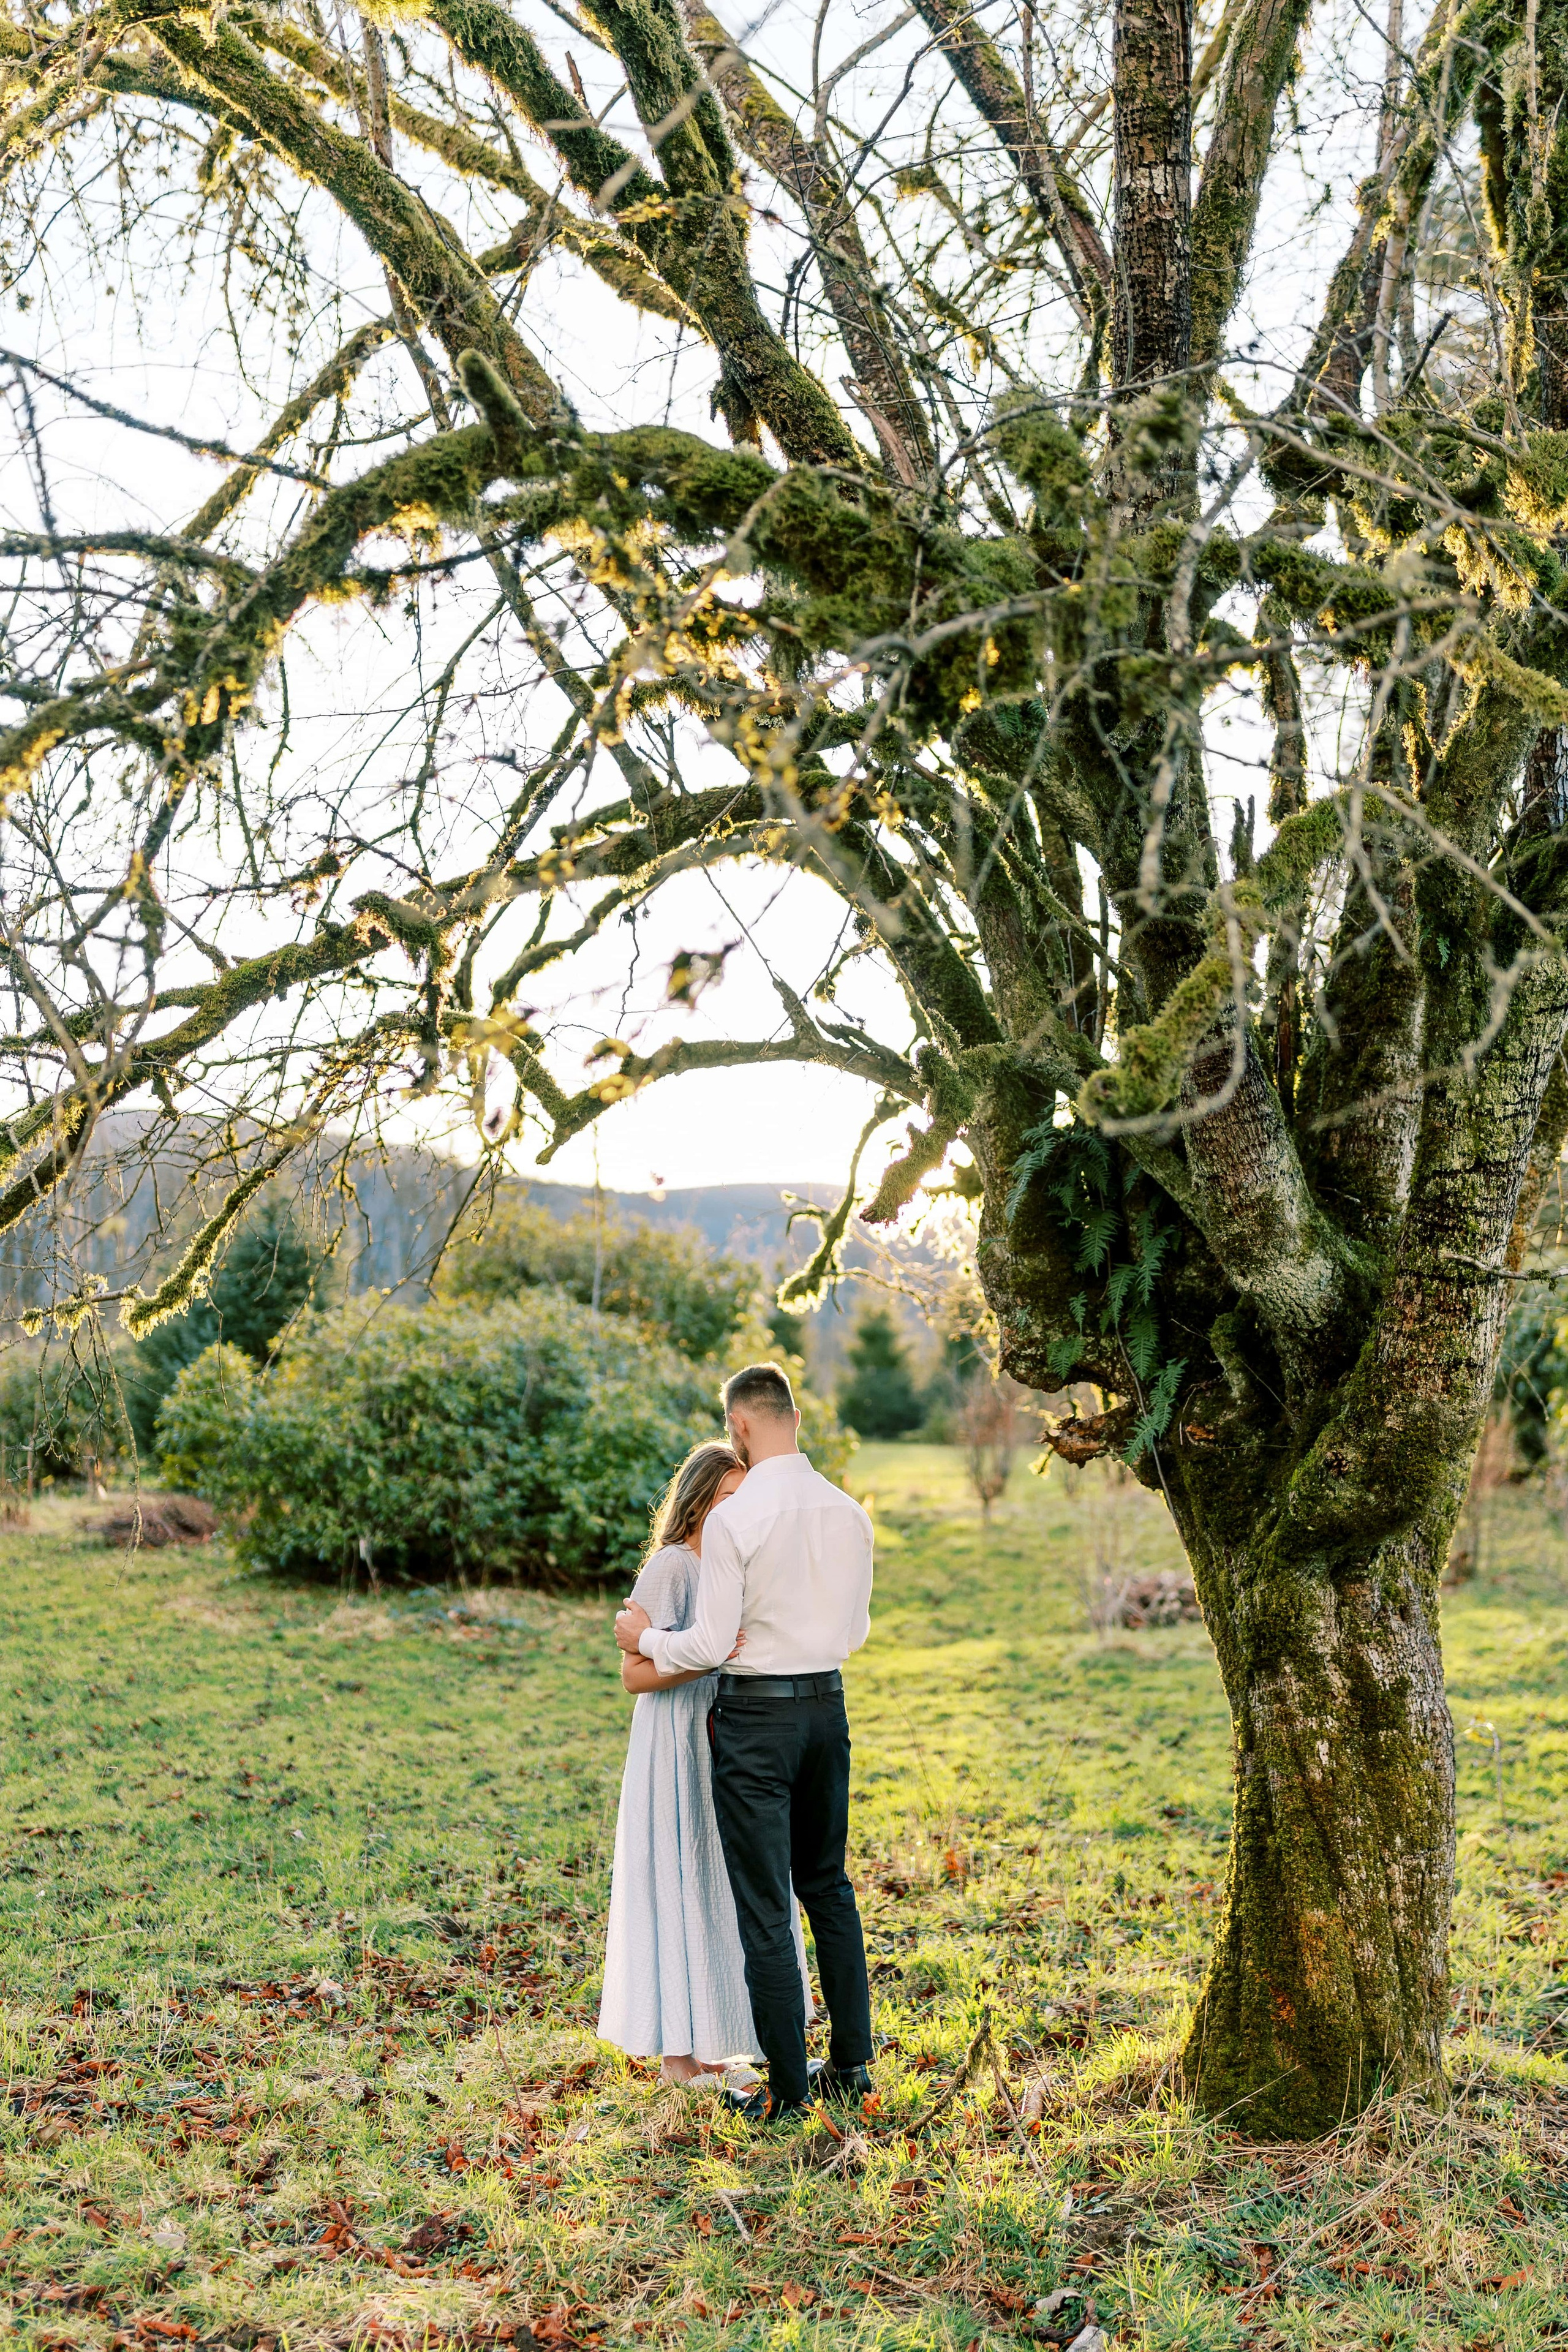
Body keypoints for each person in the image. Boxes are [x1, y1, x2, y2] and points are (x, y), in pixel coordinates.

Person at [616, 1362, 876, 2122]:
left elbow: (703, 1646)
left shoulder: (736, 1520)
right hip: (829, 1709)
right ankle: (852, 2066)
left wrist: (645, 1636)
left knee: (765, 1905)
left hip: (758, 1720)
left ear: (738, 1427)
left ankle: (789, 2093)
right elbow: (855, 1631)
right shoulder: (848, 1512)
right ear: (795, 1417)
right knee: (828, 1890)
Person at [597, 1439, 813, 2085]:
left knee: (719, 1879)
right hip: (675, 1736)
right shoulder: (671, 1567)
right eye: (725, 1498)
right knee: (679, 1872)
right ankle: (676, 2057)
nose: (735, 1511)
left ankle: (716, 2045)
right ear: (696, 1502)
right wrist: (705, 1656)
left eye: (743, 1500)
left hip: (730, 1734)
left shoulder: (738, 1564)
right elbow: (634, 1674)